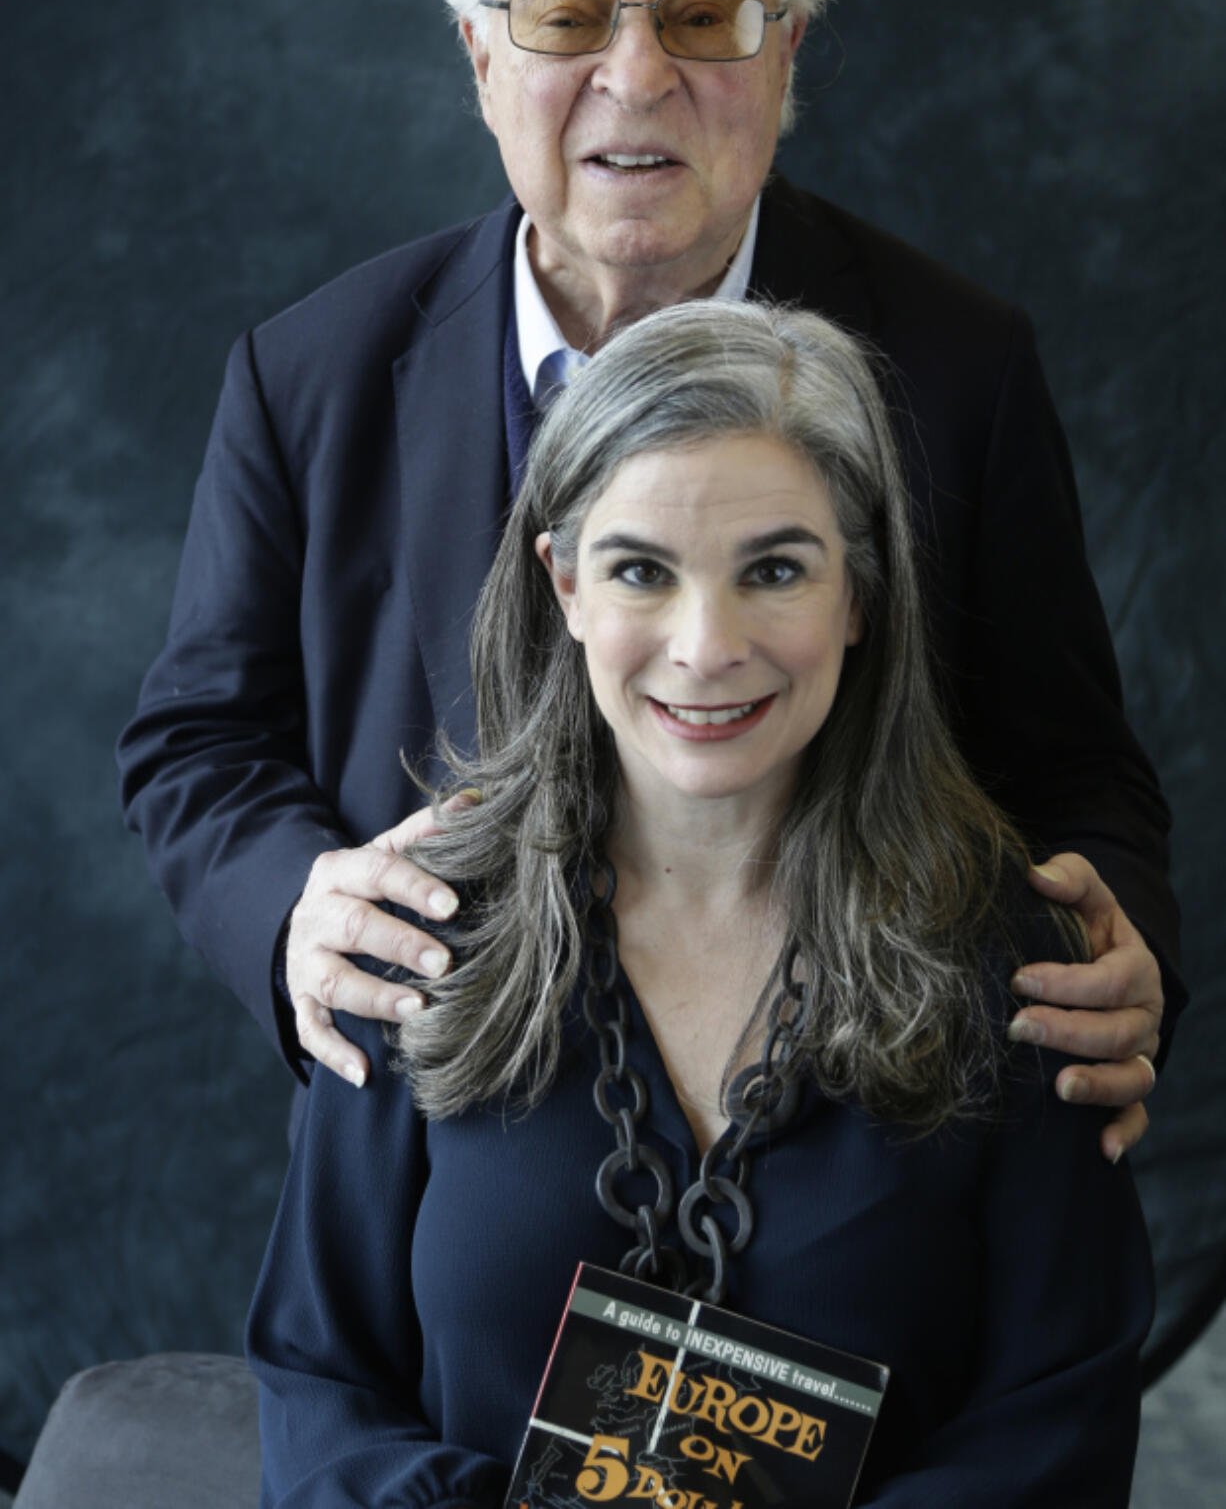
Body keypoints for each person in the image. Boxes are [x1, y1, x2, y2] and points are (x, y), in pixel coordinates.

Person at [117, 0, 1177, 1155]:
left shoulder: (959, 366)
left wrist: (1122, 935)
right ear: (480, 57)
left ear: (785, 52)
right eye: (564, 16)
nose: (634, 76)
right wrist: (289, 904)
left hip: (849, 1147)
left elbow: (1076, 765)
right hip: (440, 1157)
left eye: (701, 15)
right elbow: (198, 741)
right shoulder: (305, 372)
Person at [246, 300, 1153, 1507]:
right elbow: (318, 1382)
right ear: (562, 585)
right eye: (639, 570)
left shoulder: (1018, 965)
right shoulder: (414, 932)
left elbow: (1056, 1426)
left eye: (773, 568)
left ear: (860, 594)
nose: (704, 644)